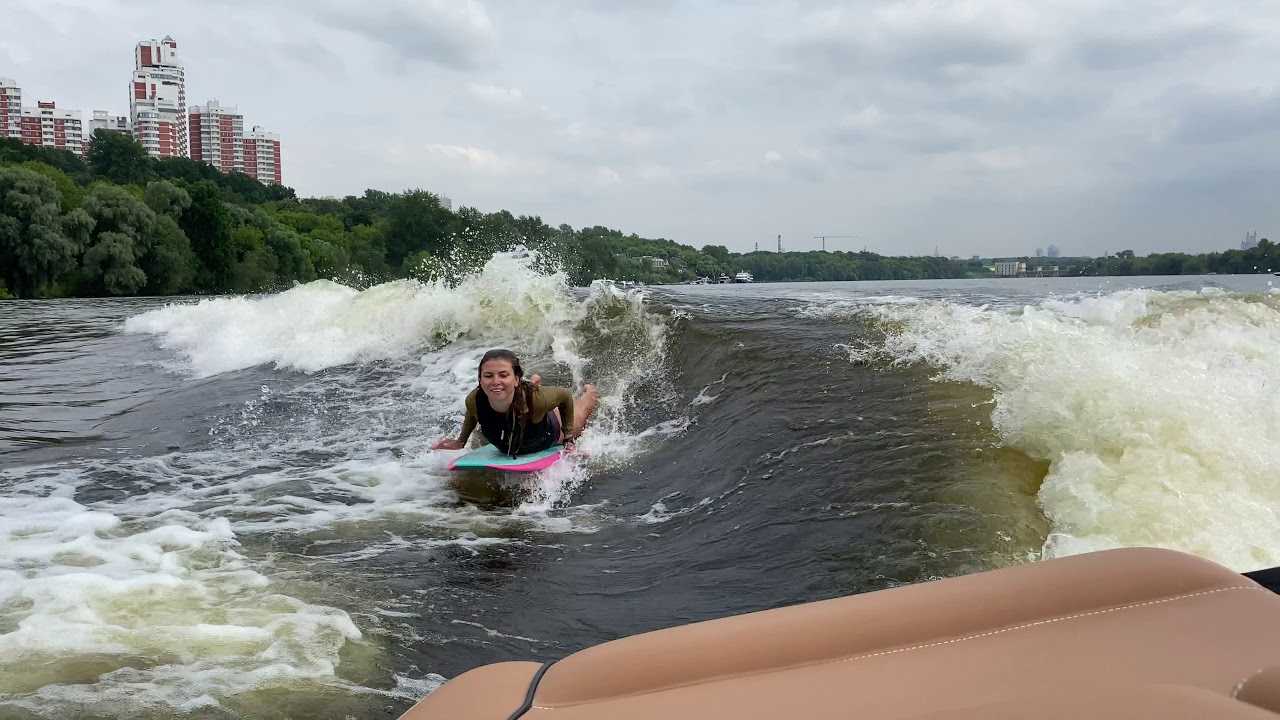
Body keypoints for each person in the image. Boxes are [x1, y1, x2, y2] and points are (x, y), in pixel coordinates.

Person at [431, 348, 597, 457]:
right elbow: (473, 412)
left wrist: (568, 437)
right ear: (480, 380)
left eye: (503, 375)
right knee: (528, 395)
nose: (495, 381)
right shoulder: (474, 400)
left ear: (516, 378)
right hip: (516, 430)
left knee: (582, 410)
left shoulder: (537, 401)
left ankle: (591, 392)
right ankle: (533, 383)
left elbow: (565, 396)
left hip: (548, 433)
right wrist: (461, 441)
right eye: (488, 376)